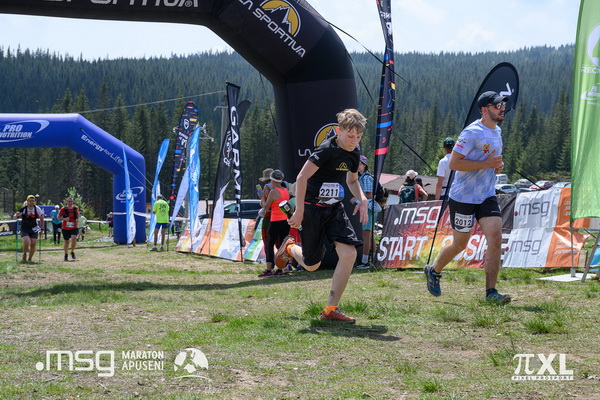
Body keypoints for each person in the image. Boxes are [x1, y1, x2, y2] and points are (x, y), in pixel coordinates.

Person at [275, 108, 368, 323]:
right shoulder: (325, 150)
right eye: (350, 136)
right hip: (312, 209)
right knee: (311, 265)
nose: (354, 141)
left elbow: (352, 181)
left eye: (358, 137)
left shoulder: (354, 153)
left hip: (334, 209)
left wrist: (362, 198)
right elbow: (301, 178)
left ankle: (330, 309)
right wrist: (299, 210)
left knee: (349, 254)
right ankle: (290, 247)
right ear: (339, 131)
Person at [424, 91, 511, 304]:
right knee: (460, 244)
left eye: (502, 105)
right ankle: (434, 270)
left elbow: (491, 160)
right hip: (463, 197)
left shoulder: (497, 130)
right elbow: (454, 163)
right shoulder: (471, 132)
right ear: (484, 110)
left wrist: (497, 166)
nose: (502, 108)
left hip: (486, 195)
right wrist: (487, 164)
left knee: (495, 237)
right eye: (497, 105)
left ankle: (491, 292)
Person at [257, 169, 291, 276]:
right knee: (282, 245)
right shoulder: (285, 190)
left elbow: (266, 207)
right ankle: (283, 268)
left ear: (272, 180)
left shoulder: (273, 192)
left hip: (275, 220)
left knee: (269, 244)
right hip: (285, 220)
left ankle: (269, 269)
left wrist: (262, 197)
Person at [354, 155, 382, 269]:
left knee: (366, 234)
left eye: (360, 164)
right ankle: (375, 260)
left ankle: (365, 262)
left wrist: (356, 199)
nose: (358, 166)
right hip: (368, 208)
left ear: (365, 165)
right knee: (369, 235)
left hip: (369, 208)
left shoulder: (366, 178)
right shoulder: (362, 177)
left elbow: (370, 195)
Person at [14, 195, 44, 262]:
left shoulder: (37, 209)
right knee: (27, 242)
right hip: (25, 228)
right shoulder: (24, 209)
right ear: (27, 201)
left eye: (33, 201)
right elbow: (16, 215)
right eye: (30, 201)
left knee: (33, 244)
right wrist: (16, 216)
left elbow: (42, 219)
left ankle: (30, 258)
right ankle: (24, 254)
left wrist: (42, 229)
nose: (31, 202)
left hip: (34, 228)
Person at [59, 197, 79, 261]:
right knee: (67, 242)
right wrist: (64, 219)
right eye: (69, 201)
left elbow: (77, 215)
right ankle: (66, 254)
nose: (70, 203)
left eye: (71, 201)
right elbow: (58, 217)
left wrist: (77, 219)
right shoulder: (63, 209)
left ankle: (72, 251)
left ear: (73, 202)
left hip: (74, 227)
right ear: (66, 202)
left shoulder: (75, 208)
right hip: (65, 228)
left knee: (74, 238)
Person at [436, 137, 455, 201]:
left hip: (445, 194)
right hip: (457, 194)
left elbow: (439, 184)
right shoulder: (459, 161)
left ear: (444, 148)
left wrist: (437, 200)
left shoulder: (443, 162)